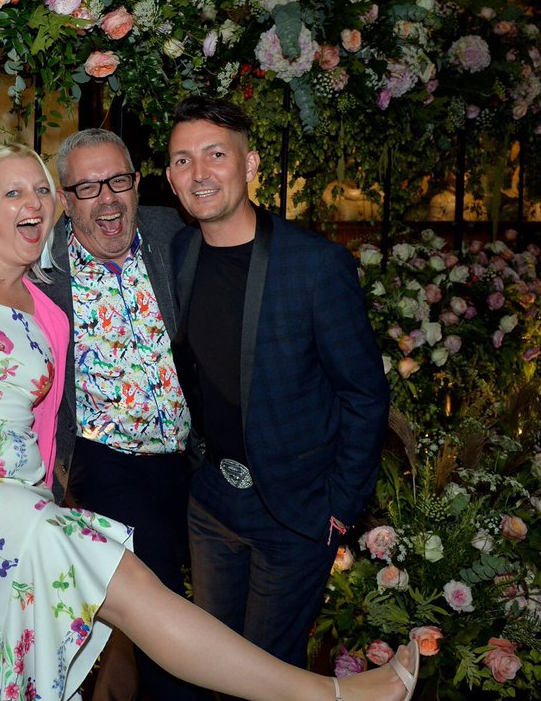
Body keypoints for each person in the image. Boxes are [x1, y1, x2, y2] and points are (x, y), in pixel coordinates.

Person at [0, 142, 417, 701]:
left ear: (136, 186)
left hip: (152, 468)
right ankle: (332, 696)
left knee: (32, 660)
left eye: (38, 191)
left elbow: (37, 425)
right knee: (134, 587)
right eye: (16, 192)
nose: (102, 198)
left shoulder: (64, 302)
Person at [165, 96, 391, 670]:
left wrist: (340, 508)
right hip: (212, 502)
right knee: (215, 665)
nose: (200, 173)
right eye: (183, 159)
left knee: (270, 673)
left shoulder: (314, 265)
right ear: (170, 178)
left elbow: (364, 395)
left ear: (252, 164)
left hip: (294, 511)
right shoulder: (181, 249)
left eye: (216, 155)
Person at [46, 128, 207, 701]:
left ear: (138, 185)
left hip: (194, 455)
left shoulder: (173, 236)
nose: (106, 199)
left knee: (209, 602)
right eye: (87, 188)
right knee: (159, 598)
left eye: (117, 181)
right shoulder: (43, 265)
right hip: (108, 459)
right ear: (66, 201)